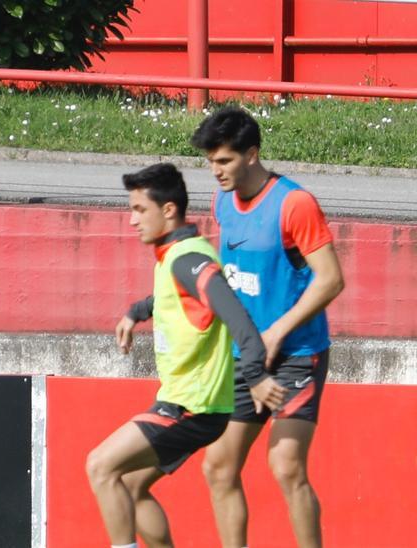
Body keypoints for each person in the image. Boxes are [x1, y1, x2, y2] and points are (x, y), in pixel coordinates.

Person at [89, 162, 266, 548]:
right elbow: (178, 297)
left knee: (101, 466)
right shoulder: (177, 255)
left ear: (168, 210)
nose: (132, 220)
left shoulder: (187, 259)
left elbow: (237, 316)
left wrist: (256, 374)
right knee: (132, 488)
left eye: (139, 210)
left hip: (193, 407)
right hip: (192, 404)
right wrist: (138, 310)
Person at [193, 107, 345, 548]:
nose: (215, 170)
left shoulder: (294, 204)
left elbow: (331, 279)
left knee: (286, 466)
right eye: (210, 161)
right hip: (246, 356)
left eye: (224, 161)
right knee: (217, 467)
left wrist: (277, 331)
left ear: (252, 154)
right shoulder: (222, 201)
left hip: (297, 352)